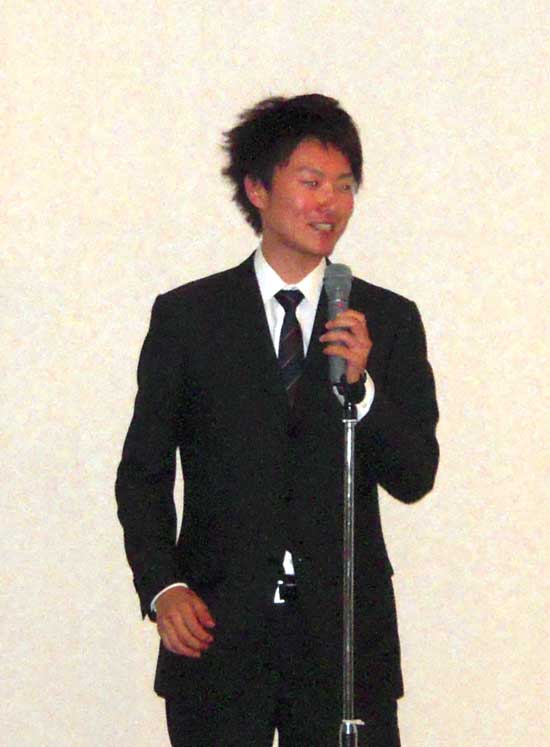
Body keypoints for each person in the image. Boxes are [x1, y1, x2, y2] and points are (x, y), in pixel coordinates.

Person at [115, 94, 439, 747]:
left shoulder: (387, 320)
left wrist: (362, 390)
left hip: (345, 645)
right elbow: (142, 473)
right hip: (218, 635)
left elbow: (414, 475)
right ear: (258, 189)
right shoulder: (189, 318)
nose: (330, 203)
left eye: (344, 186)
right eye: (312, 182)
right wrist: (163, 585)